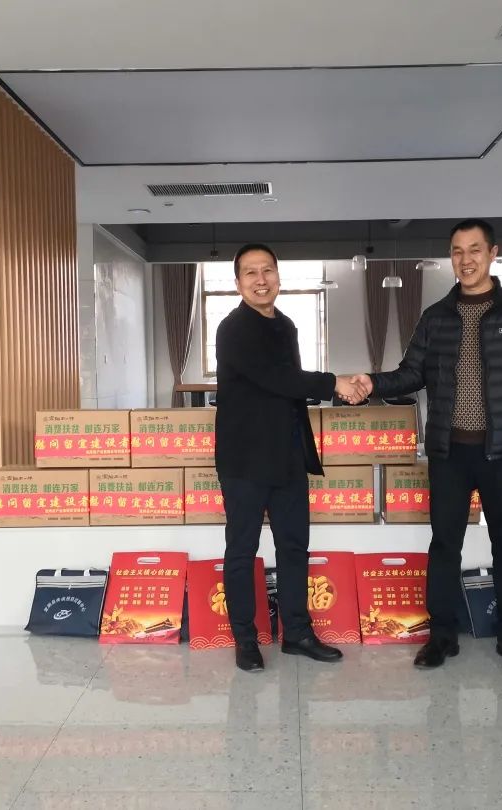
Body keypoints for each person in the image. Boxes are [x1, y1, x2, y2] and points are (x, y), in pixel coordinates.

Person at [351, 219, 502, 672]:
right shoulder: (436, 317)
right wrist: (372, 383)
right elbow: (411, 372)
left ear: (493, 253)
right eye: (457, 251)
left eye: (474, 249)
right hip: (449, 454)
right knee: (444, 546)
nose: (466, 259)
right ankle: (441, 637)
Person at [215, 243, 365, 672]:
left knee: (295, 546)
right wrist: (333, 383)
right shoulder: (233, 329)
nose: (261, 280)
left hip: (286, 455)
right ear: (238, 283)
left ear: (278, 276)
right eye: (251, 273)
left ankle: (297, 632)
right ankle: (245, 638)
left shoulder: (286, 325)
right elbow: (278, 379)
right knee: (242, 549)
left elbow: (291, 389)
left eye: (267, 270)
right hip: (245, 459)